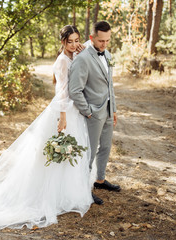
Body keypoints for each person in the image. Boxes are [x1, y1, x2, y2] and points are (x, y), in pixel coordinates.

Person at [0, 25, 93, 230]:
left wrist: (82, 50)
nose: (75, 44)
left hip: (75, 110)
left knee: (71, 153)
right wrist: (63, 117)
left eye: (77, 40)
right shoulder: (61, 61)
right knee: (58, 152)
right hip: (64, 111)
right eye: (71, 41)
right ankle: (47, 195)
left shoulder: (76, 55)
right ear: (63, 43)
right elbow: (61, 91)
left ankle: (67, 194)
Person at [68, 21, 121, 206]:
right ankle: (84, 190)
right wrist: (88, 112)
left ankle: (100, 180)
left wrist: (113, 108)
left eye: (107, 40)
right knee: (88, 153)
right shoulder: (82, 58)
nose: (104, 44)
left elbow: (110, 84)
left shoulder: (108, 54)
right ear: (91, 38)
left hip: (107, 110)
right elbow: (75, 90)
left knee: (105, 147)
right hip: (93, 113)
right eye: (100, 41)